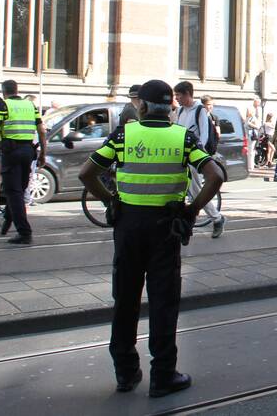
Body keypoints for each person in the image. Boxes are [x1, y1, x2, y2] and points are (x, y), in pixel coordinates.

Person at [78, 79, 222, 398]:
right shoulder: (182, 137)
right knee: (163, 302)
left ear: (141, 106)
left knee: (125, 300)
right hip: (165, 228)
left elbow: (87, 173)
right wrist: (192, 211)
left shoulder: (124, 134)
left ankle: (126, 373)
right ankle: (162, 375)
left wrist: (110, 200)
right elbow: (215, 175)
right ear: (170, 106)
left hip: (128, 226)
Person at [0, 80, 46, 245]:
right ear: (17, 90)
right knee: (18, 190)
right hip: (28, 151)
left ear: (3, 91)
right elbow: (41, 130)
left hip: (11, 152)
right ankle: (7, 219)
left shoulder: (4, 105)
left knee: (14, 192)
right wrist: (43, 154)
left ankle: (24, 232)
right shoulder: (30, 106)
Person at [174, 82, 225, 238]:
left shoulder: (200, 110)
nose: (177, 98)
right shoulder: (181, 110)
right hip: (181, 156)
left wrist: (198, 157)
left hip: (194, 157)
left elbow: (203, 136)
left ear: (188, 93)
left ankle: (216, 218)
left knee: (194, 190)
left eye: (179, 95)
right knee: (183, 187)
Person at [245, 97, 263, 173]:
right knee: (251, 149)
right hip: (251, 132)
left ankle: (252, 164)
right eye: (258, 102)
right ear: (255, 102)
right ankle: (250, 166)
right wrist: (256, 126)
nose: (259, 104)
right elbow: (247, 122)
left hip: (255, 132)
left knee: (253, 149)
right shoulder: (250, 109)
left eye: (259, 103)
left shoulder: (258, 109)